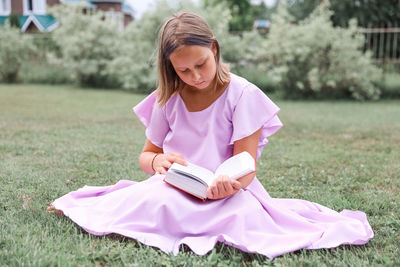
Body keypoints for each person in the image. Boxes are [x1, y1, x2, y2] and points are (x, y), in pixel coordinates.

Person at [49, 11, 373, 258]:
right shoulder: (168, 99)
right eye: (183, 70)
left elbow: (246, 164)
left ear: (214, 50)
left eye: (201, 64)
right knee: (151, 200)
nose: (196, 77)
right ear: (170, 68)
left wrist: (226, 185)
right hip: (176, 190)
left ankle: (205, 215)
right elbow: (146, 156)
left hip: (230, 193)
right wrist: (158, 161)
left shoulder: (242, 94)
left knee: (242, 217)